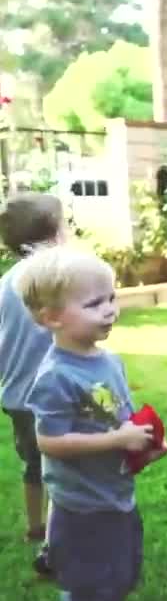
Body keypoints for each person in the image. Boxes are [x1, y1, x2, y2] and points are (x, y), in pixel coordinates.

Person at [18, 246, 152, 601]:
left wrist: (141, 442)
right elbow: (49, 442)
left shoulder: (107, 360)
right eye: (94, 303)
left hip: (111, 490)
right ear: (51, 317)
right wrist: (116, 441)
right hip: (82, 504)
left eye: (111, 298)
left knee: (115, 571)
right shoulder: (56, 375)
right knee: (90, 578)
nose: (110, 310)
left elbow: (118, 417)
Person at [0, 191, 68, 576]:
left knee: (33, 464)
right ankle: (53, 545)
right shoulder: (59, 274)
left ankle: (35, 527)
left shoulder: (6, 281)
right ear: (55, 233)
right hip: (54, 393)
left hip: (16, 394)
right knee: (63, 469)